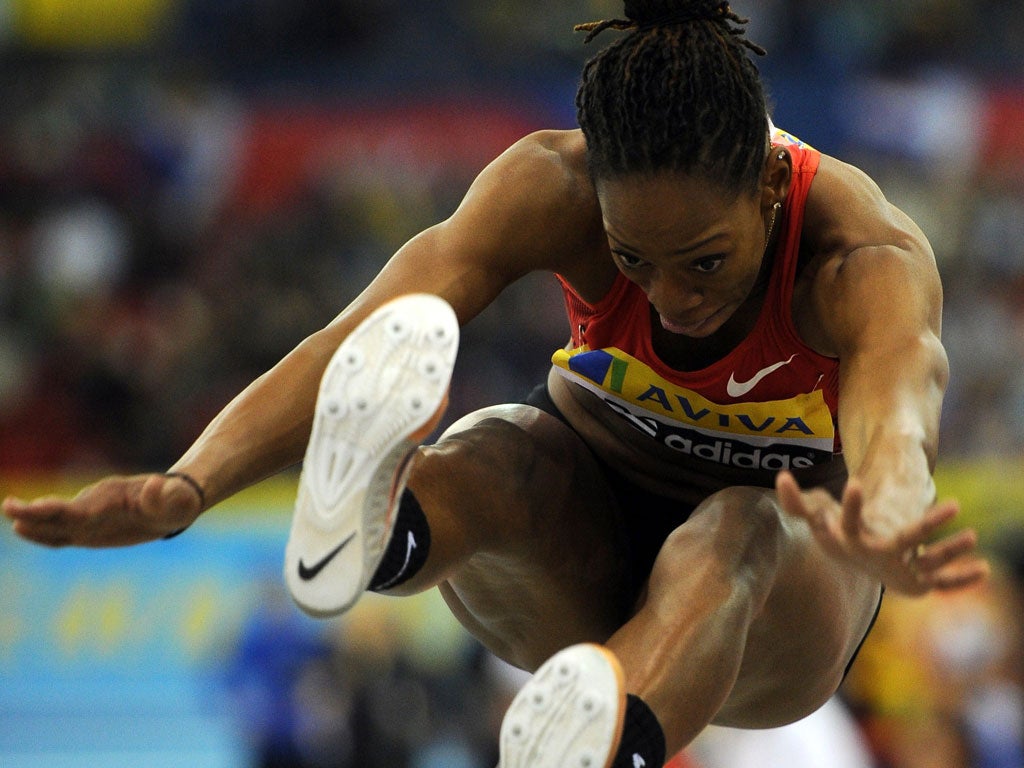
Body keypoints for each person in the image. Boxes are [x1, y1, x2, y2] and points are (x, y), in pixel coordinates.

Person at [3, 2, 990, 767]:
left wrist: (893, 500)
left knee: (729, 532)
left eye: (703, 262)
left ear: (771, 190)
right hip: (579, 539)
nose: (669, 297)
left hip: (775, 601)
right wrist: (189, 486)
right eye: (630, 259)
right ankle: (381, 528)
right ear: (594, 195)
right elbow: (357, 337)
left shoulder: (861, 255)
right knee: (494, 447)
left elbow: (900, 395)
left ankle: (602, 736)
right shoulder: (547, 187)